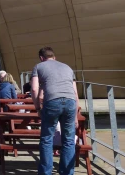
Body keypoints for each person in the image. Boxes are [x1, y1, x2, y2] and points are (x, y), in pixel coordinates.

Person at [31, 46, 78, 175]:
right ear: (54, 57)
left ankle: (46, 172)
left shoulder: (39, 67)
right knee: (68, 140)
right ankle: (67, 172)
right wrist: (75, 117)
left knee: (47, 139)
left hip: (52, 102)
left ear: (42, 58)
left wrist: (37, 108)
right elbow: (75, 93)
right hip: (70, 102)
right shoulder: (67, 67)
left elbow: (34, 89)